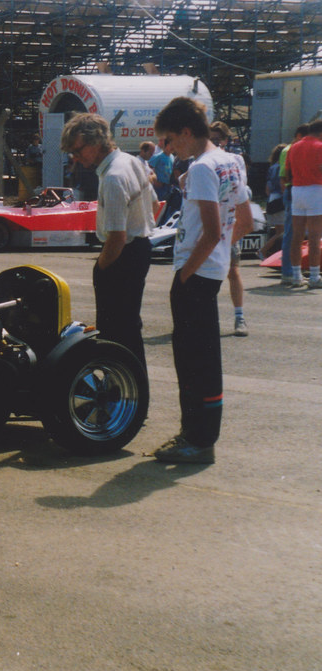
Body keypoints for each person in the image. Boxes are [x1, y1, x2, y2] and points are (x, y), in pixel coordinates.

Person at [152, 97, 252, 464]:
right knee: (203, 358)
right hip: (212, 271)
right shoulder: (229, 160)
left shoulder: (202, 169)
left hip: (195, 274)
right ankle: (199, 435)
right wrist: (223, 252)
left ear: (186, 132)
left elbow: (209, 232)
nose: (168, 148)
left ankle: (195, 439)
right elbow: (244, 222)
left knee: (191, 360)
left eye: (170, 140)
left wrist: (185, 274)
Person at [61, 113, 155, 370]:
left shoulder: (113, 176)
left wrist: (101, 267)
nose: (75, 157)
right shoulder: (131, 161)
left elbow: (117, 237)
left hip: (121, 255)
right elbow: (155, 204)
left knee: (114, 332)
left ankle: (119, 393)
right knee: (129, 328)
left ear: (96, 143)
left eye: (78, 150)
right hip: (139, 249)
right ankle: (132, 393)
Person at [208, 121, 251, 335]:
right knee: (207, 274)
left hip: (230, 221)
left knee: (233, 270)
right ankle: (207, 319)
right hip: (209, 223)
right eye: (211, 138)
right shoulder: (202, 159)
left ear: (226, 140)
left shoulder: (235, 160)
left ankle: (239, 317)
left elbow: (240, 187)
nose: (215, 143)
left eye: (218, 139)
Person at [286, 120, 322, 289]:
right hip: (315, 189)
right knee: (315, 236)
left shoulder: (294, 146)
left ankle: (296, 275)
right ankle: (314, 276)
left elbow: (287, 172)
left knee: (297, 236)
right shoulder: (319, 146)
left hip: (297, 189)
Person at [278, 124, 311, 285]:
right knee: (291, 234)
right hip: (292, 192)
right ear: (299, 135)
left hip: (298, 193)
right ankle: (288, 271)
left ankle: (293, 269)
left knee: (297, 234)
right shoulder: (289, 150)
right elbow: (284, 177)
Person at [259, 143, 287, 259]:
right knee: (283, 232)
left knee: (279, 232)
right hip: (280, 201)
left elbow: (267, 189)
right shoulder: (282, 167)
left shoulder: (271, 168)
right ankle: (263, 250)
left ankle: (271, 253)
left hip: (271, 202)